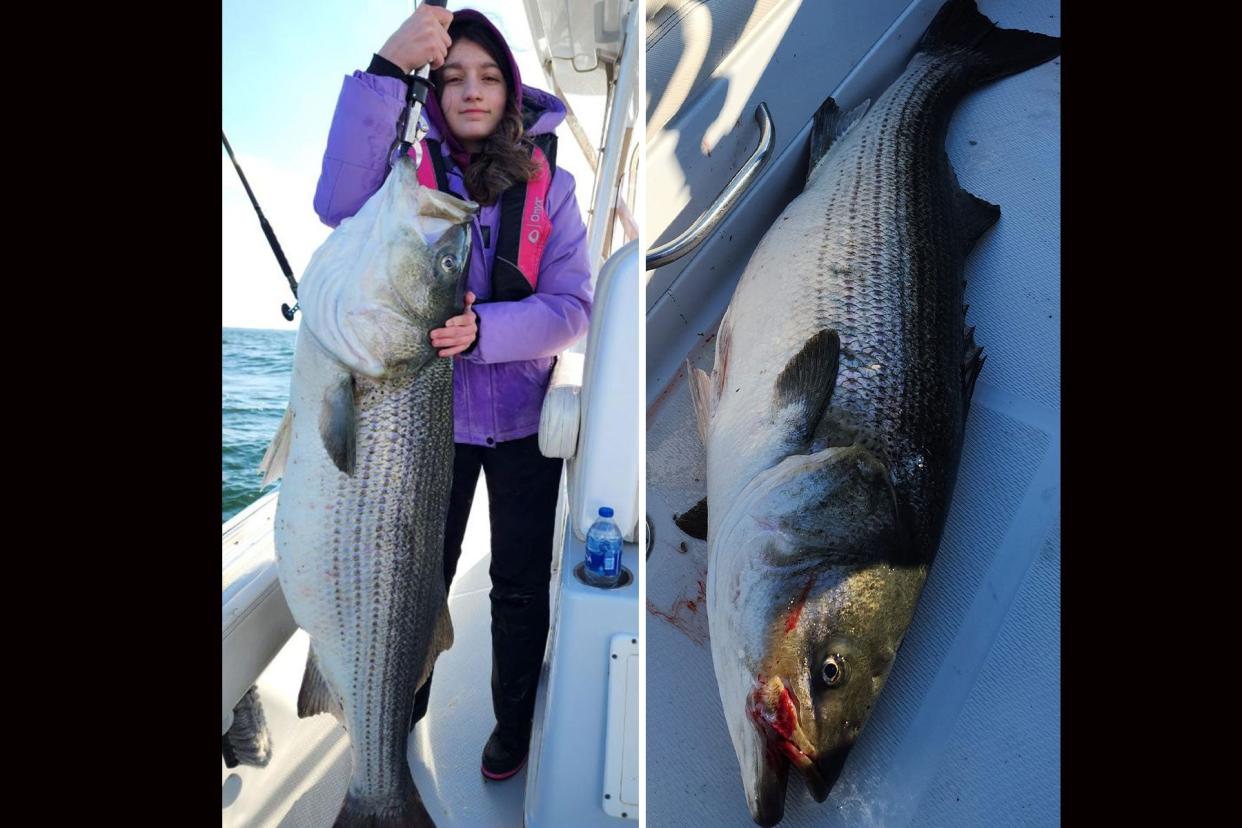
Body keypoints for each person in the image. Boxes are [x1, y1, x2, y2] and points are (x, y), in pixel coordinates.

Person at [313, 4, 593, 781]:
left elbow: (572, 308)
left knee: (517, 584)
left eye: (490, 76)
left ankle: (511, 723)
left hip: (524, 424)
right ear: (432, 91)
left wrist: (487, 332)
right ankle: (396, 719)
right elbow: (337, 204)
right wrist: (383, 71)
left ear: (512, 90)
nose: (472, 91)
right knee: (416, 579)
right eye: (452, 77)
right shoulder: (405, 174)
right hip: (423, 427)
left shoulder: (554, 188)